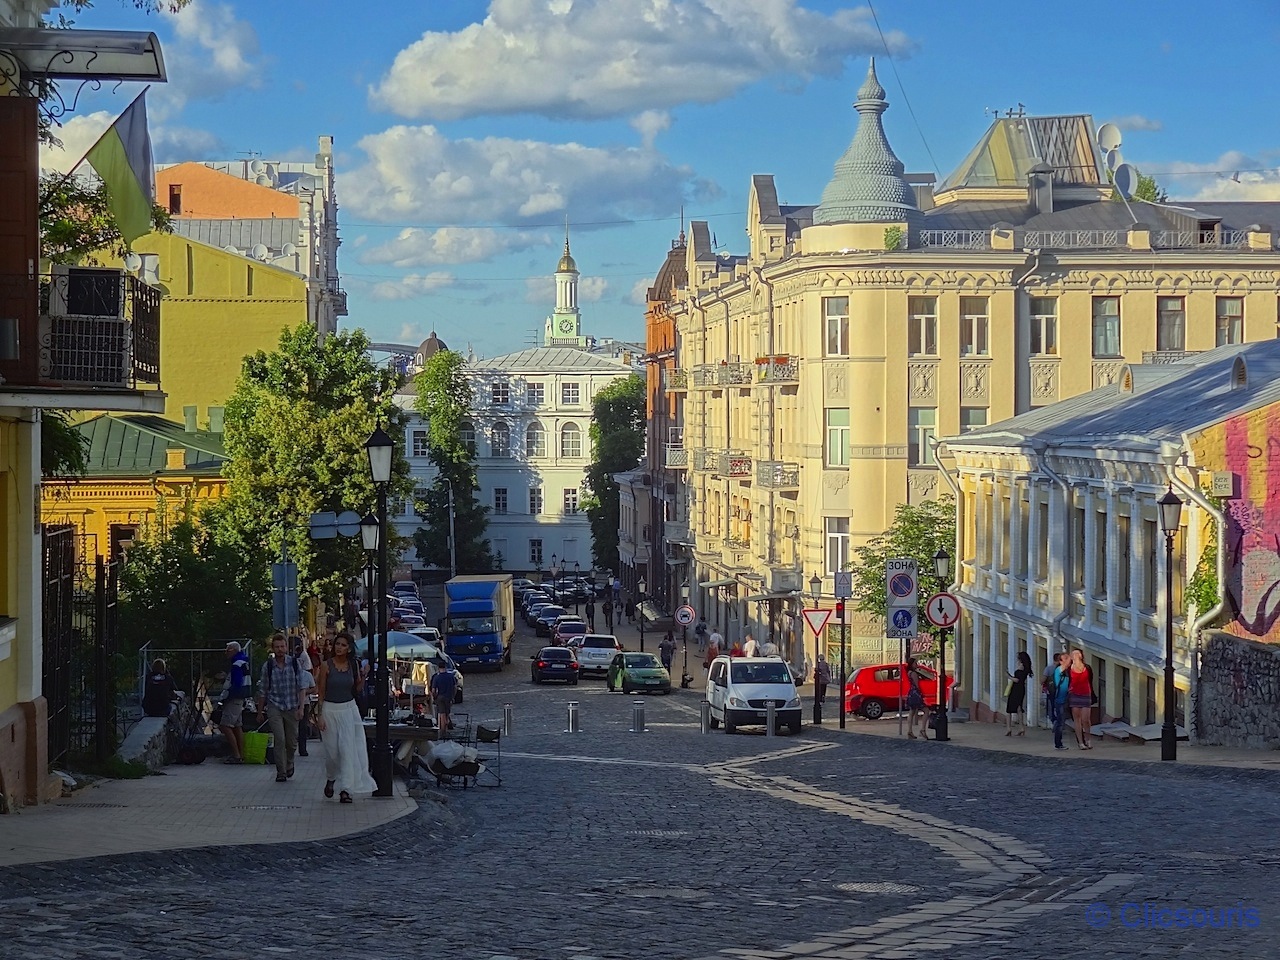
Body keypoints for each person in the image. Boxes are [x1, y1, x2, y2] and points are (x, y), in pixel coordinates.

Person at [314, 631, 376, 804]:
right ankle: (331, 777)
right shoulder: (326, 665)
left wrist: (364, 675)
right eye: (337, 644)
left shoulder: (353, 665)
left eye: (343, 645)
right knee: (333, 752)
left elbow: (356, 689)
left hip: (349, 709)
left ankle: (346, 789)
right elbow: (321, 692)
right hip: (330, 710)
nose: (339, 647)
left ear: (349, 648)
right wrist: (319, 716)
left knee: (348, 750)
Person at [257, 633, 308, 783]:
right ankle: (281, 771)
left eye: (282, 646)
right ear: (273, 648)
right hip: (275, 705)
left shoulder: (294, 663)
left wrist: (301, 707)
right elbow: (263, 690)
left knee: (291, 742)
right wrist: (260, 711)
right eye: (277, 647)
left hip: (292, 706)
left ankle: (290, 762)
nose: (280, 649)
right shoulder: (268, 666)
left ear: (286, 647)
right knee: (279, 738)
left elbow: (302, 686)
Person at [218, 641, 254, 764]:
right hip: (242, 698)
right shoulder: (243, 661)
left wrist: (227, 697)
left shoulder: (236, 664)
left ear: (234, 650)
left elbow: (236, 683)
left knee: (225, 726)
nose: (226, 653)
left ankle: (236, 755)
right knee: (237, 726)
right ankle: (242, 754)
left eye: (228, 650)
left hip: (234, 698)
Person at [1067, 648, 1095, 749]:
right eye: (1073, 654)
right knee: (1077, 720)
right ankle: (1080, 742)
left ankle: (1088, 739)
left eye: (1077, 653)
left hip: (1086, 694)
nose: (1075, 655)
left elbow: (1090, 680)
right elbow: (1067, 680)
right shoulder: (1069, 669)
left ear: (1081, 656)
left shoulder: (1087, 668)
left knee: (1086, 719)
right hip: (1074, 695)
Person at [1005, 651, 1033, 737]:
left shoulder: (1021, 668)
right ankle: (1021, 728)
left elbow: (1017, 680)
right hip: (1021, 689)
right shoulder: (1027, 668)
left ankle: (1009, 728)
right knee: (1019, 708)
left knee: (1009, 709)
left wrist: (1008, 676)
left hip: (1016, 689)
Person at [1049, 652, 1071, 751]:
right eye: (1065, 659)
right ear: (1061, 661)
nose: (1068, 661)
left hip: (1065, 699)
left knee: (1061, 721)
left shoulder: (1066, 671)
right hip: (1059, 700)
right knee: (1060, 722)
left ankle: (1059, 742)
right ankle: (1058, 743)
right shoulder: (1059, 670)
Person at [905, 658, 929, 740]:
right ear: (912, 664)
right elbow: (917, 685)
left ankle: (909, 731)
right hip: (915, 694)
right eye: (915, 663)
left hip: (911, 693)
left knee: (912, 711)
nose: (917, 665)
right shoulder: (914, 673)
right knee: (926, 710)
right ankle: (922, 729)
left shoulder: (908, 673)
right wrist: (921, 694)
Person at [429, 664, 459, 733]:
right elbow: (455, 687)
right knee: (447, 712)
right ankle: (447, 724)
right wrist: (453, 696)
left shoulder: (437, 677)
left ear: (438, 668)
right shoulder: (451, 676)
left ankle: (443, 730)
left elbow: (433, 690)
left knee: (442, 713)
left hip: (440, 697)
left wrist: (434, 697)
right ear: (445, 668)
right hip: (449, 696)